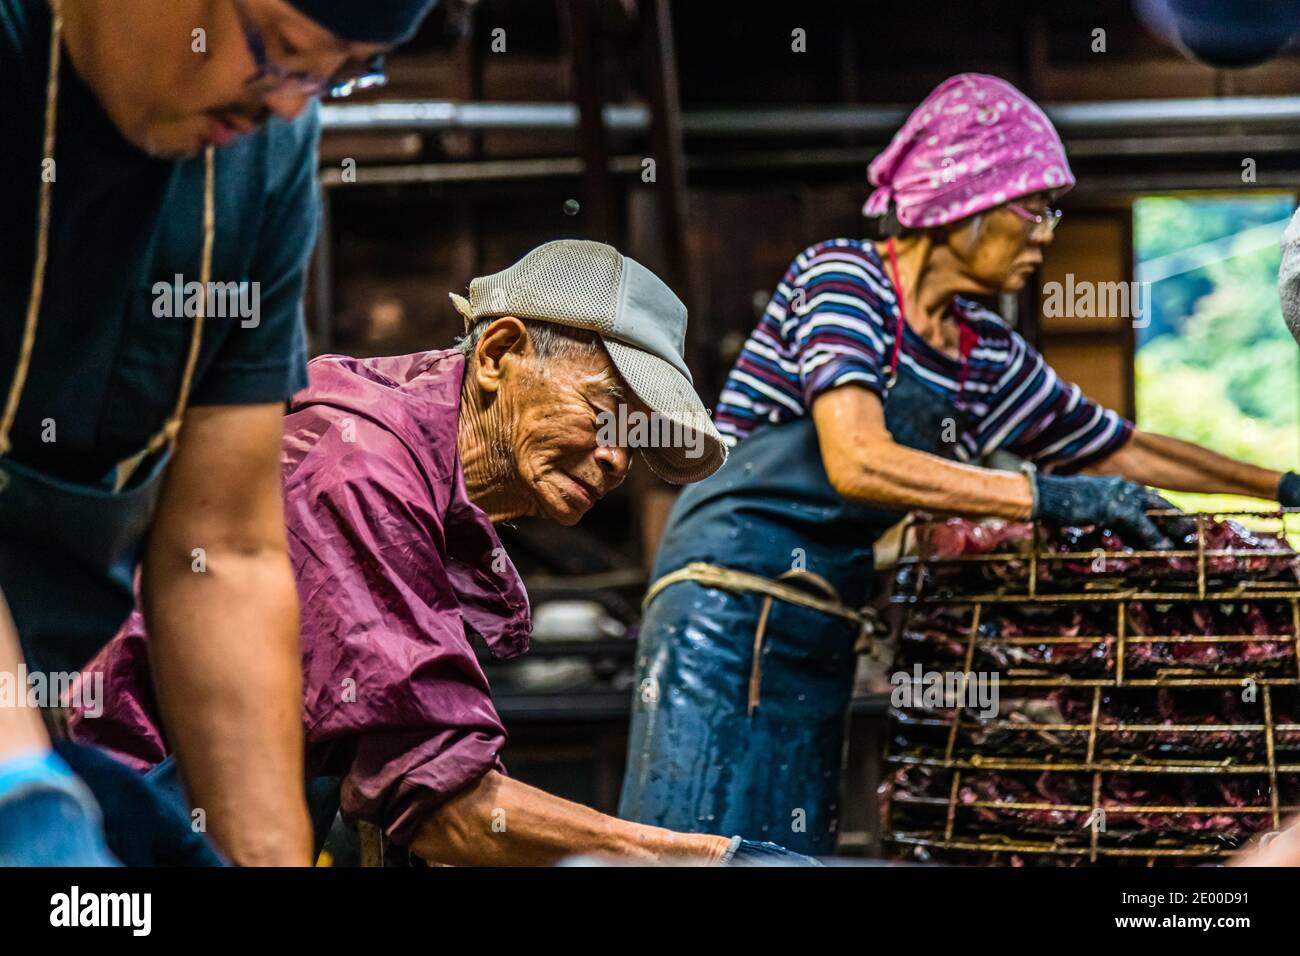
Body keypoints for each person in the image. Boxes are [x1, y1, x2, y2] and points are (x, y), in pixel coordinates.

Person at [617, 73, 1300, 855]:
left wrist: (1280, 485)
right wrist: (1044, 498)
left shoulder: (983, 350)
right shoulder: (846, 280)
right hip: (724, 597)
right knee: (697, 832)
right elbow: (858, 459)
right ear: (964, 197)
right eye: (1034, 206)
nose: (1047, 231)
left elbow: (1121, 446)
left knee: (785, 841)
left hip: (825, 614)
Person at [72, 241, 816, 866]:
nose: (622, 459)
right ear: (498, 354)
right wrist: (710, 860)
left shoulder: (413, 467)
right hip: (114, 835)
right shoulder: (362, 468)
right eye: (606, 414)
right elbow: (447, 805)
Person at [0, 0, 438, 866]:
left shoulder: (264, 160)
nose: (289, 104)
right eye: (282, 50)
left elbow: (224, 551)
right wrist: (27, 807)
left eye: (340, 74)